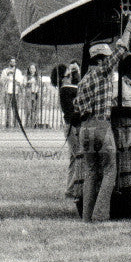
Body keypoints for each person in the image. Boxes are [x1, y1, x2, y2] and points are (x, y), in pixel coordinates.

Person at [73, 12, 131, 223]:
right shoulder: (101, 72)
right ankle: (101, 215)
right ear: (102, 58)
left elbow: (77, 106)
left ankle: (87, 216)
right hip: (101, 126)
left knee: (92, 173)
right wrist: (129, 26)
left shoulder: (83, 80)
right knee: (110, 171)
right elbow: (121, 50)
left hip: (85, 128)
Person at [52, 63, 81, 199]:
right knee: (79, 157)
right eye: (69, 75)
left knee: (74, 159)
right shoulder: (66, 89)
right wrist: (80, 72)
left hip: (70, 126)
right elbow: (81, 87)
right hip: (72, 127)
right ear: (62, 79)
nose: (71, 77)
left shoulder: (66, 90)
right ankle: (75, 189)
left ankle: (70, 189)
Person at [0, 58, 25, 127]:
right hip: (7, 92)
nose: (12, 63)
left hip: (15, 92)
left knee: (15, 108)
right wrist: (7, 78)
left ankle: (15, 123)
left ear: (16, 63)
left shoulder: (18, 71)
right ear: (9, 62)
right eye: (11, 61)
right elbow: (1, 81)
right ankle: (8, 123)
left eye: (14, 62)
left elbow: (20, 82)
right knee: (7, 108)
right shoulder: (4, 71)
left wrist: (13, 79)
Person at [25, 63, 40, 127]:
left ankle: (35, 123)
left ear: (35, 69)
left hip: (36, 93)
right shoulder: (26, 77)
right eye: (31, 68)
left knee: (35, 109)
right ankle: (27, 123)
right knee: (28, 109)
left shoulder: (38, 77)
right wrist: (28, 82)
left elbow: (39, 85)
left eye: (33, 68)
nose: (32, 70)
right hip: (29, 94)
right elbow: (24, 85)